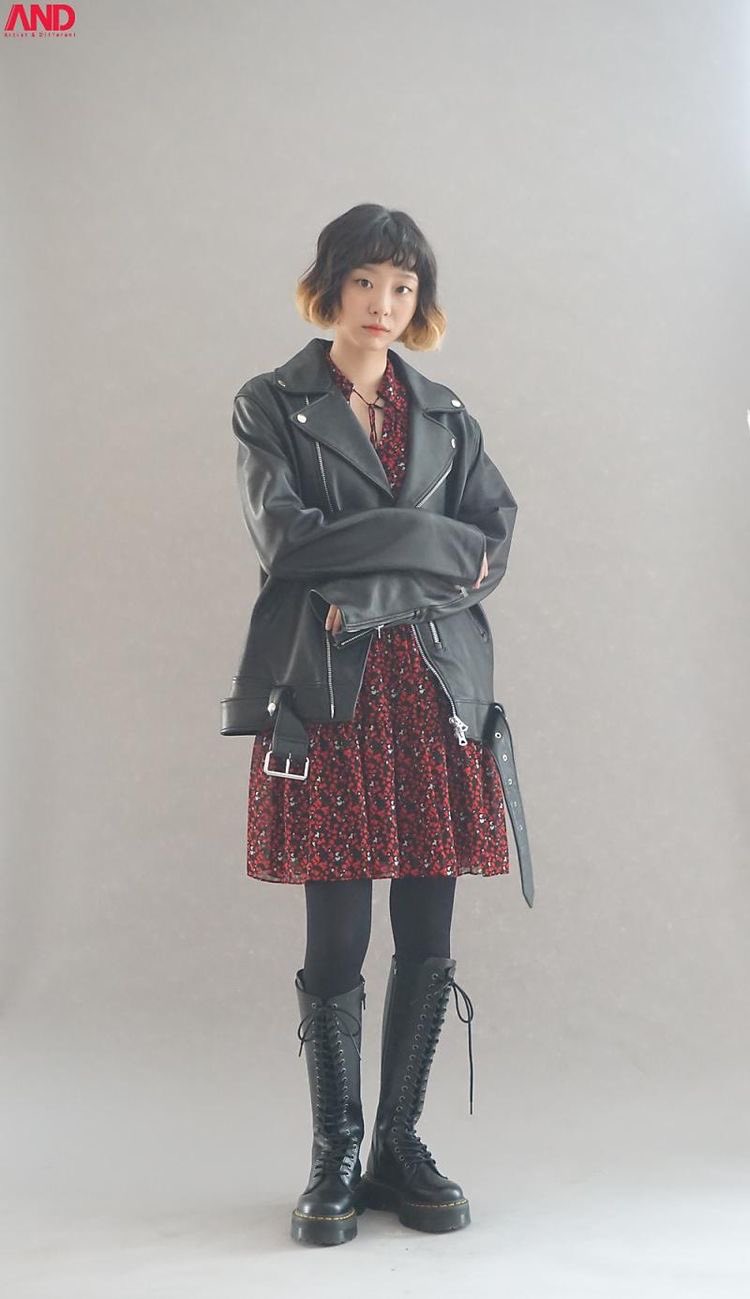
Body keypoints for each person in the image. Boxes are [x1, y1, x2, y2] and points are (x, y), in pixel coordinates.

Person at [225, 202, 532, 1246]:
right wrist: (423, 543)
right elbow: (290, 543)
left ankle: (398, 1140)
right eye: (366, 281)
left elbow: (491, 542)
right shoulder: (272, 404)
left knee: (429, 928)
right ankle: (335, 1151)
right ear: (332, 285)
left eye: (403, 286)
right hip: (332, 696)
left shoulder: (446, 413)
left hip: (438, 694)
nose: (384, 303)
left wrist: (381, 579)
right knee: (339, 932)